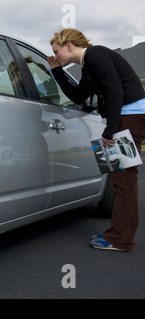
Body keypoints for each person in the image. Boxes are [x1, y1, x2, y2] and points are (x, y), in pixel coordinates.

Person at [47, 28, 145, 252]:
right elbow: (78, 96)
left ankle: (122, 239)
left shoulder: (95, 54)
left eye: (56, 51)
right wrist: (57, 71)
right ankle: (116, 232)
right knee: (118, 179)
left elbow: (114, 90)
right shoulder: (88, 66)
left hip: (130, 116)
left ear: (68, 45)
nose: (55, 55)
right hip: (124, 117)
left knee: (124, 179)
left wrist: (109, 131)